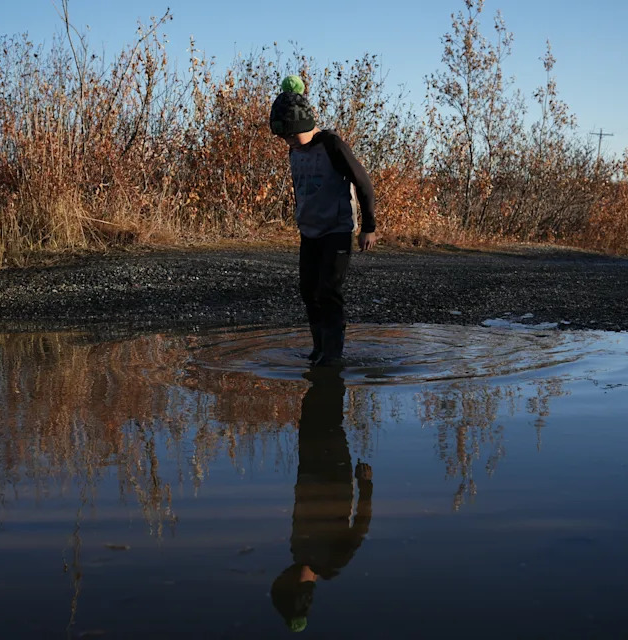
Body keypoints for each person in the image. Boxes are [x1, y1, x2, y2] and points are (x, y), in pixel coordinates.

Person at [269, 75, 378, 367]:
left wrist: (369, 227)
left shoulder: (331, 144)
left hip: (337, 229)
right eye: (285, 138)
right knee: (308, 290)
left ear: (305, 126)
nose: (290, 142)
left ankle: (333, 354)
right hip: (310, 231)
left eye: (293, 136)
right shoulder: (295, 149)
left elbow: (363, 182)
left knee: (329, 290)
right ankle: (318, 348)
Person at [270, 368, 373, 631]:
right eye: (282, 580)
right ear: (292, 587)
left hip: (308, 470)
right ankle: (333, 367)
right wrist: (365, 485)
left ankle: (325, 366)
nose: (280, 574)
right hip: (333, 475)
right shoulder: (333, 563)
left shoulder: (297, 552)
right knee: (329, 415)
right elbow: (361, 525)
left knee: (311, 410)